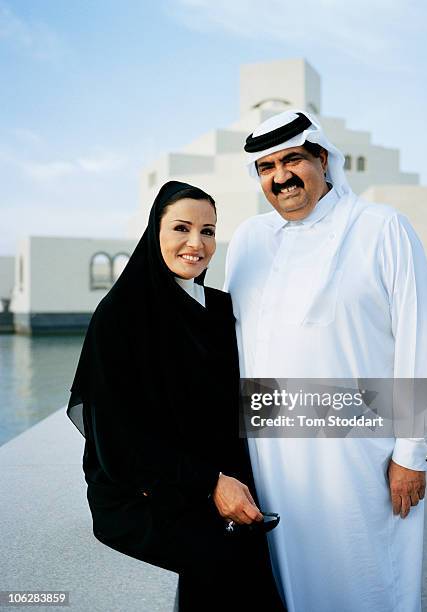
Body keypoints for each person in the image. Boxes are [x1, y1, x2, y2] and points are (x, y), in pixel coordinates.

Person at [224, 110, 427, 612]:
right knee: (293, 584)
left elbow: (420, 338)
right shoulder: (248, 240)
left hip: (362, 457)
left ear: (322, 158)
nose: (280, 176)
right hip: (273, 460)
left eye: (292, 160)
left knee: (372, 580)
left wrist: (413, 453)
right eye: (266, 167)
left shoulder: (382, 227)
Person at [67, 181, 284, 612]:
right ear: (155, 233)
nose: (195, 243)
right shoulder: (120, 315)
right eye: (181, 228)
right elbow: (116, 439)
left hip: (216, 476)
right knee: (229, 567)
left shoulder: (220, 309)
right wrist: (209, 484)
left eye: (208, 231)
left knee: (258, 562)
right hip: (142, 490)